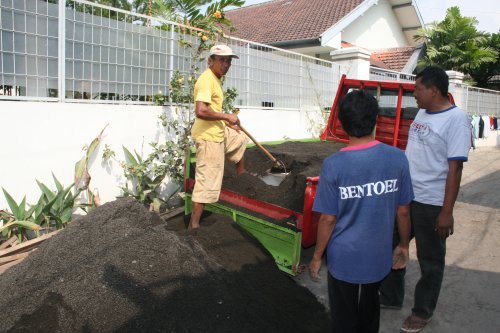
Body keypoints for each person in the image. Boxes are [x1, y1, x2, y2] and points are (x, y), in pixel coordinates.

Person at [309, 90, 414, 333]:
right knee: (370, 311)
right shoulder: (397, 158)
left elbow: (327, 219)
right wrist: (404, 245)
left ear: (343, 124)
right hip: (378, 256)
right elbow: (404, 211)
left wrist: (316, 257)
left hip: (343, 258)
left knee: (343, 317)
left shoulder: (334, 165)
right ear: (375, 120)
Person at [379, 66, 472, 333]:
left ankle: (423, 311)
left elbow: (455, 168)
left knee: (430, 261)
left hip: (431, 203)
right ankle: (391, 297)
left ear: (434, 90)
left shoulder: (457, 121)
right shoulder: (422, 111)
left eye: (418, 88)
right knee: (393, 245)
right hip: (406, 196)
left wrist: (447, 212)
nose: (414, 93)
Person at [188, 44, 249, 230]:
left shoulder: (216, 79)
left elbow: (211, 109)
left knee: (239, 137)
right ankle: (193, 227)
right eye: (222, 60)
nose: (226, 64)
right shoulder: (206, 80)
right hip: (208, 139)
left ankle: (242, 176)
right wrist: (226, 116)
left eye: (229, 60)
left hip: (217, 131)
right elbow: (201, 111)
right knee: (206, 184)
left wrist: (228, 123)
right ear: (210, 60)